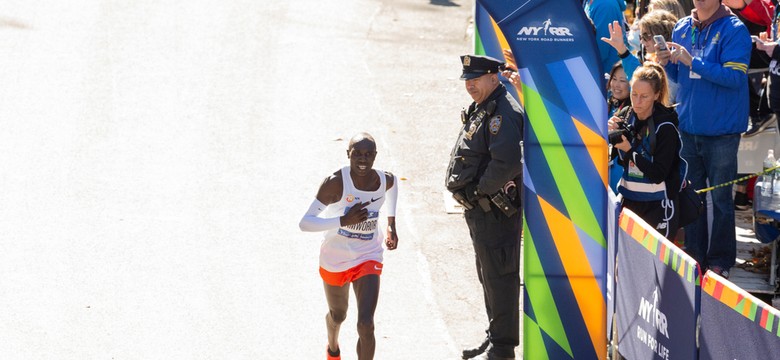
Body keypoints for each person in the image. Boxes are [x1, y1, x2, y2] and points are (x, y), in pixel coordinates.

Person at [656, 0, 751, 278]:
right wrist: (667, 63)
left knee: (721, 200)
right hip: (688, 126)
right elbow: (679, 76)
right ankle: (696, 257)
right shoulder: (683, 26)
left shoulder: (735, 29)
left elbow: (734, 77)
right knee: (691, 198)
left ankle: (721, 260)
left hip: (721, 132)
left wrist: (691, 59)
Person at [446, 54, 523, 360]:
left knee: (500, 278)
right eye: (467, 80)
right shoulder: (486, 105)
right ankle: (495, 338)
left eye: (475, 80)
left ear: (495, 77)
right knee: (488, 276)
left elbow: (506, 163)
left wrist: (478, 191)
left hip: (494, 211)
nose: (470, 86)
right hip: (481, 210)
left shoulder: (503, 111)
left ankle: (503, 349)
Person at [298, 133, 399, 360]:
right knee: (338, 315)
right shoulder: (335, 182)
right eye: (357, 154)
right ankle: (332, 347)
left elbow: (393, 186)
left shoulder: (384, 180)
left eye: (368, 154)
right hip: (336, 258)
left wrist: (391, 223)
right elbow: (305, 223)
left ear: (375, 156)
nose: (363, 160)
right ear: (348, 155)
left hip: (368, 255)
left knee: (366, 324)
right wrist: (343, 221)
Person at [610, 63, 682, 238]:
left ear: (656, 95)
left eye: (644, 96)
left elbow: (658, 174)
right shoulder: (625, 116)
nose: (637, 102)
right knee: (626, 264)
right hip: (629, 202)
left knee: (655, 265)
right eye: (634, 94)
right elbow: (618, 160)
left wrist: (629, 151)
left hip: (658, 206)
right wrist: (609, 135)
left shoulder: (665, 126)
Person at [585, 0, 629, 75]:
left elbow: (602, 46)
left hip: (606, 73)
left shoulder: (605, 4)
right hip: (602, 69)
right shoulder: (590, 2)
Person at [608, 62, 632, 192]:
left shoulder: (633, 111)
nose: (616, 85)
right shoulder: (608, 102)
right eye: (614, 79)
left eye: (623, 80)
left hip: (620, 175)